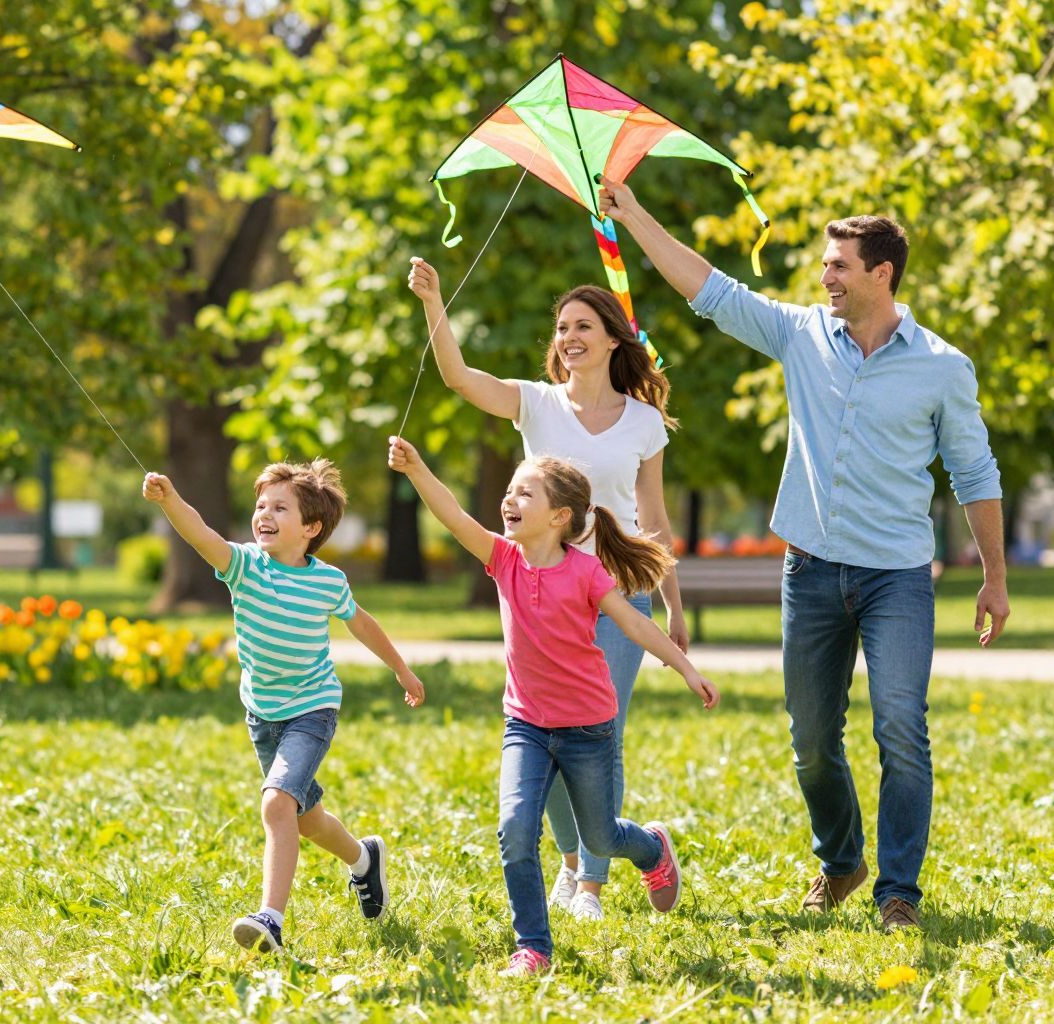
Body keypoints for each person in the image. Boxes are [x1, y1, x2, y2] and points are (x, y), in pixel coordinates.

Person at [597, 182, 1010, 932]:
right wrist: (633, 216)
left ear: (882, 273)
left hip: (897, 577)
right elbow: (710, 290)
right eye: (826, 265)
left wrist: (995, 577)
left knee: (900, 728)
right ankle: (841, 858)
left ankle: (898, 893)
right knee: (813, 741)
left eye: (839, 266)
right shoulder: (800, 334)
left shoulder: (944, 368)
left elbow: (975, 474)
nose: (825, 278)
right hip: (813, 570)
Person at [407, 258, 688, 922]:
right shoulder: (536, 401)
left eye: (584, 326)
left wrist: (675, 605)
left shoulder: (644, 422)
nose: (569, 337)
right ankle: (573, 859)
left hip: (616, 594)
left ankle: (590, 881)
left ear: (614, 338)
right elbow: (457, 377)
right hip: (540, 598)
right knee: (546, 733)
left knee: (600, 734)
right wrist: (433, 301)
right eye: (562, 328)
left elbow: (655, 519)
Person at [386, 436, 717, 977]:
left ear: (561, 516)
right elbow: (451, 515)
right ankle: (533, 946)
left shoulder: (585, 572)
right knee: (515, 830)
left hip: (589, 728)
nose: (509, 500)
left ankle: (652, 849)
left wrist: (686, 668)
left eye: (525, 493)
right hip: (526, 725)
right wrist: (418, 468)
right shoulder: (502, 558)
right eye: (510, 490)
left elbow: (634, 623)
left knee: (601, 837)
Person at [142, 459, 426, 954]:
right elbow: (200, 534)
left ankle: (270, 919)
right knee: (303, 818)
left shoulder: (327, 581)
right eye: (260, 506)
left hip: (313, 708)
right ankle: (363, 859)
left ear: (311, 528)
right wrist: (171, 501)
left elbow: (362, 624)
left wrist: (401, 668)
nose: (263, 515)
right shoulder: (243, 565)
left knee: (276, 803)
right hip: (262, 714)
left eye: (279, 507)